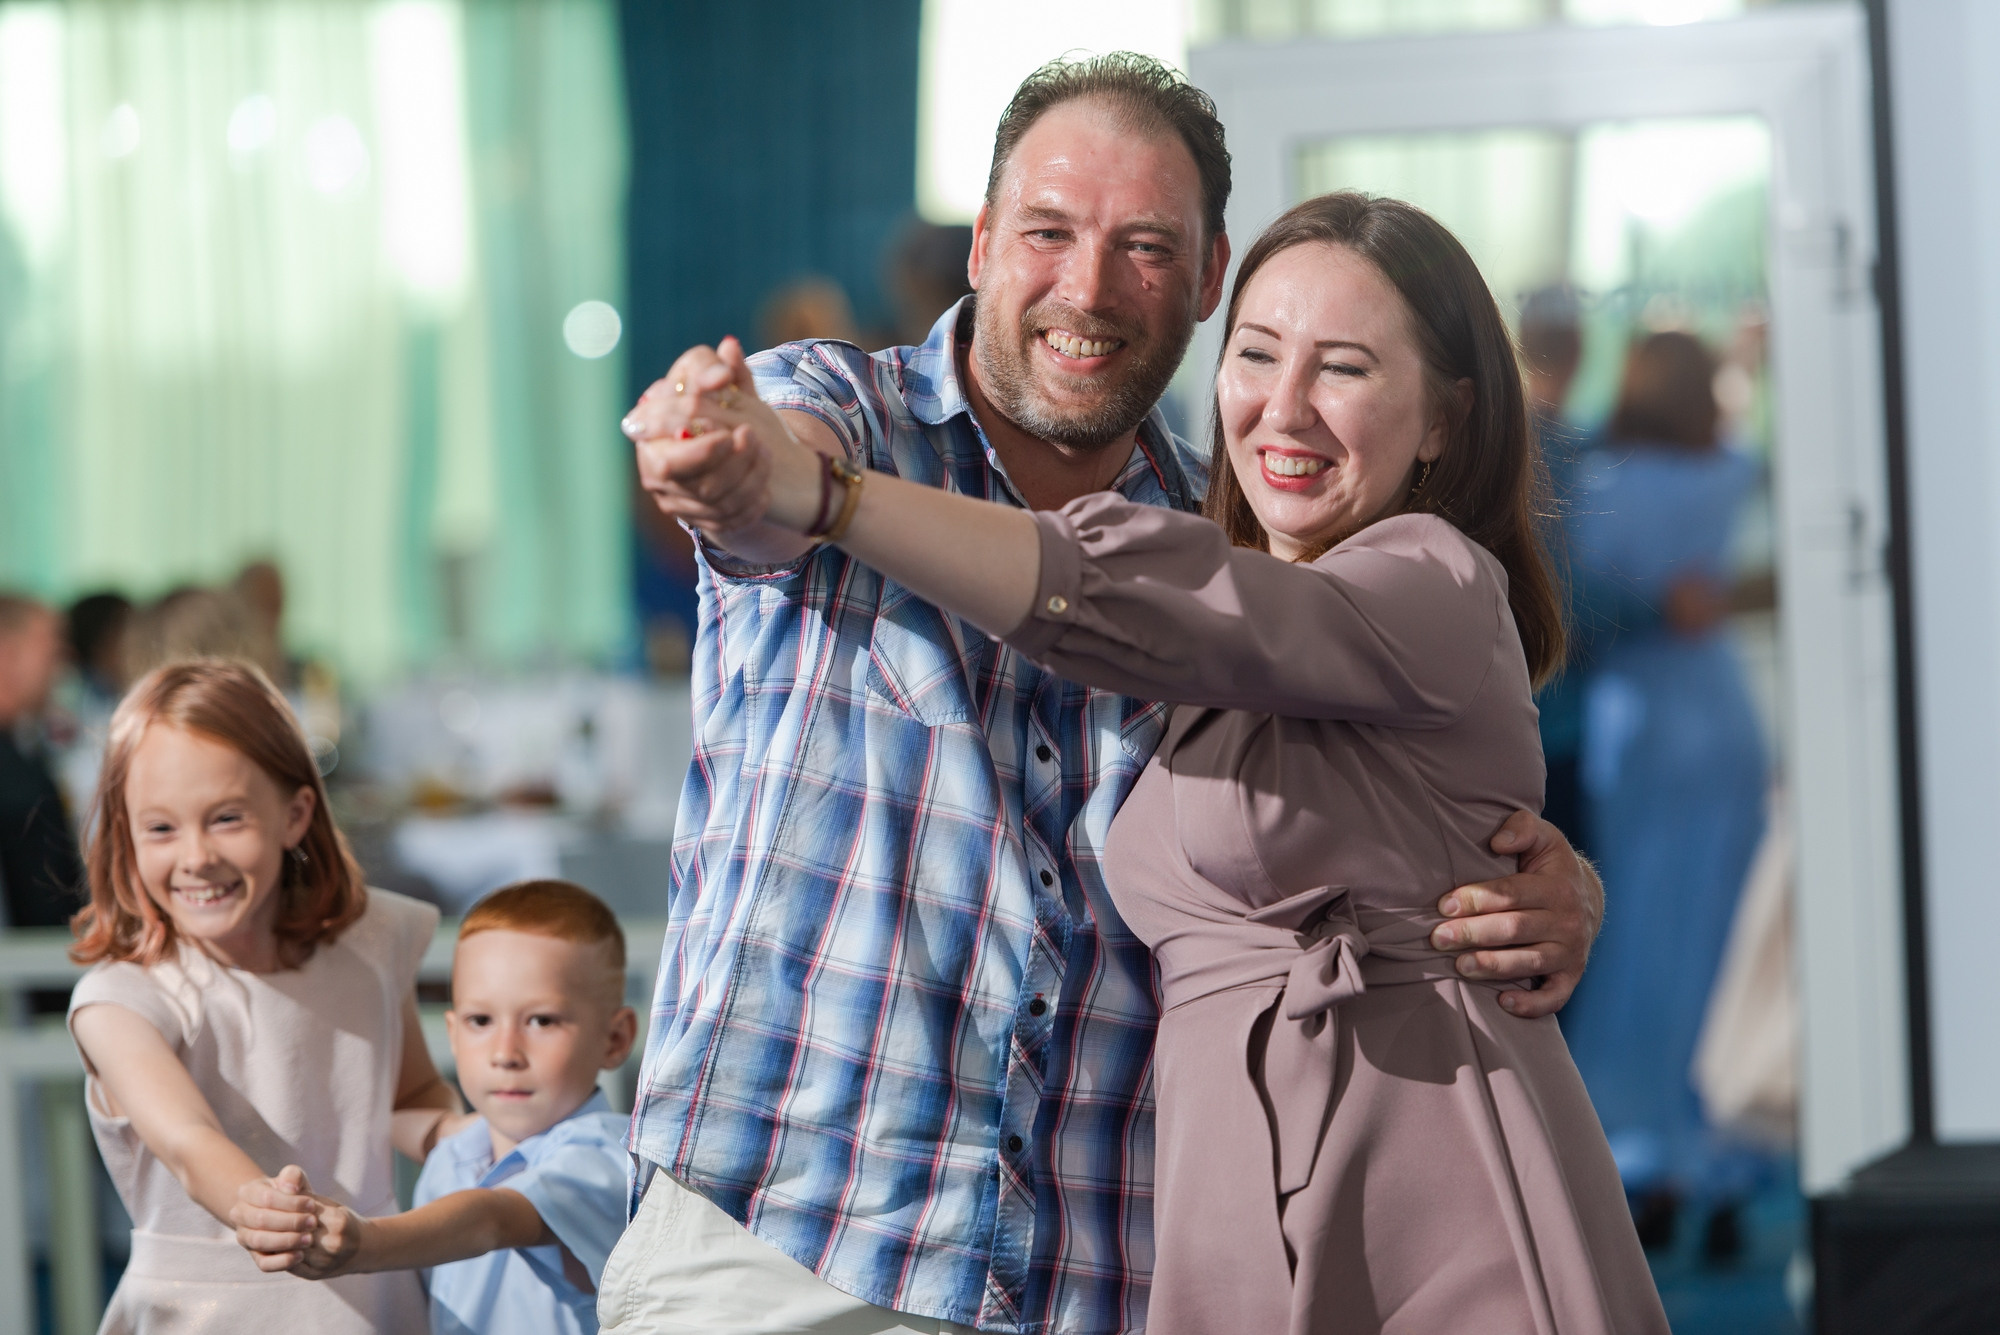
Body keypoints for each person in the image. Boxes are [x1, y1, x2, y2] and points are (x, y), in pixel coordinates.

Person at [616, 54, 1603, 1334]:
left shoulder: (1234, 540)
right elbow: (770, 483)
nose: (1086, 289)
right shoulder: (845, 415)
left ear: (1202, 276)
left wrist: (1546, 881)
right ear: (979, 244)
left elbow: (1357, 771)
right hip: (792, 1250)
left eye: (1144, 247)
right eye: (1047, 232)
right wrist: (748, 470)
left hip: (1097, 1271)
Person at [64, 658, 453, 1332]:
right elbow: (188, 1141)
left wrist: (487, 1142)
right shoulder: (119, 1000)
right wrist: (263, 1205)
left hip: (372, 1303)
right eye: (160, 828)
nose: (196, 856)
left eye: (226, 818)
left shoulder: (369, 944)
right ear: (124, 833)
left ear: (296, 814)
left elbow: (413, 1100)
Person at [1557, 330, 1771, 1255]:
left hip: (1634, 731)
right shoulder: (1726, 477)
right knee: (1722, 947)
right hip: (1719, 724)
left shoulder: (1596, 490)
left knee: (1636, 947)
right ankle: (1721, 1151)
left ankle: (1638, 1154)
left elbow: (1574, 608)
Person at [233, 878, 637, 1335]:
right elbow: (413, 1126)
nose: (505, 1051)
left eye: (542, 1020)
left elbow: (492, 1220)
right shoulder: (459, 1149)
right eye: (480, 1020)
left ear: (615, 1038)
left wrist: (366, 1242)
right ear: (453, 1033)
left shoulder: (610, 1157)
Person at [0, 593, 85, 939]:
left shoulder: (26, 753)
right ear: (7, 655)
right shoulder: (16, 781)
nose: (63, 664)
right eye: (51, 650)